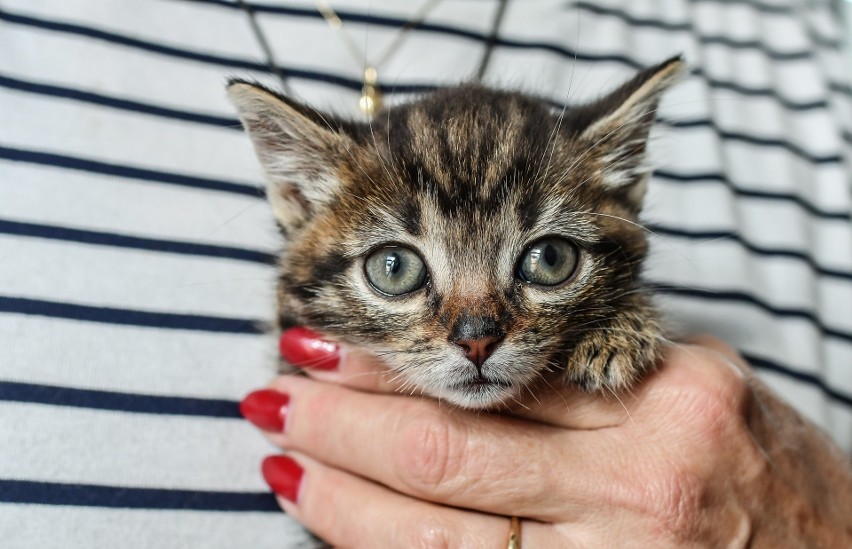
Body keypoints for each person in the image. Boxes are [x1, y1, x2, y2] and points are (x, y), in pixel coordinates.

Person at [1, 0, 849, 547]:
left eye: (544, 259)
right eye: (399, 268)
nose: (476, 331)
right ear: (296, 188)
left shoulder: (818, 68)